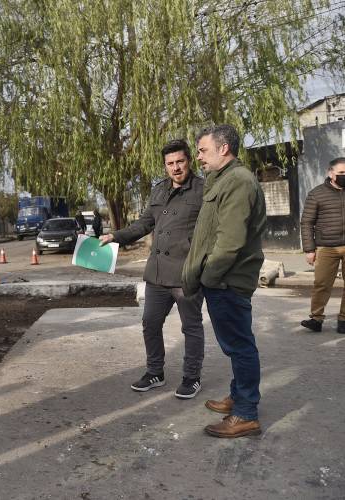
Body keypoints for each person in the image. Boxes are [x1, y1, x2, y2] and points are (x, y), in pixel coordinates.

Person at [99, 139, 205, 399]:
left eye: (180, 161)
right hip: (157, 274)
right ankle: (155, 372)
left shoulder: (203, 189)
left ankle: (192, 378)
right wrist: (116, 236)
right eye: (170, 163)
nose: (176, 168)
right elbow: (145, 223)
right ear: (165, 166)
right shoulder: (159, 191)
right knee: (150, 322)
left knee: (191, 327)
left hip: (186, 273)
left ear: (189, 161)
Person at [182, 124, 266, 439]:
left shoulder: (239, 181)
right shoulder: (224, 179)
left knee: (240, 346)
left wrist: (209, 278)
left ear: (223, 149)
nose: (198, 157)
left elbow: (229, 241)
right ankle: (238, 396)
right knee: (235, 345)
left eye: (203, 150)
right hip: (221, 281)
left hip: (227, 281)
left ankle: (246, 413)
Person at [299, 157, 345, 334]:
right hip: (326, 247)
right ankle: (316, 319)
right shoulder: (317, 193)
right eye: (341, 173)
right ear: (330, 173)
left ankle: (343, 320)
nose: (344, 175)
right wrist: (310, 249)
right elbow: (306, 222)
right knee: (321, 283)